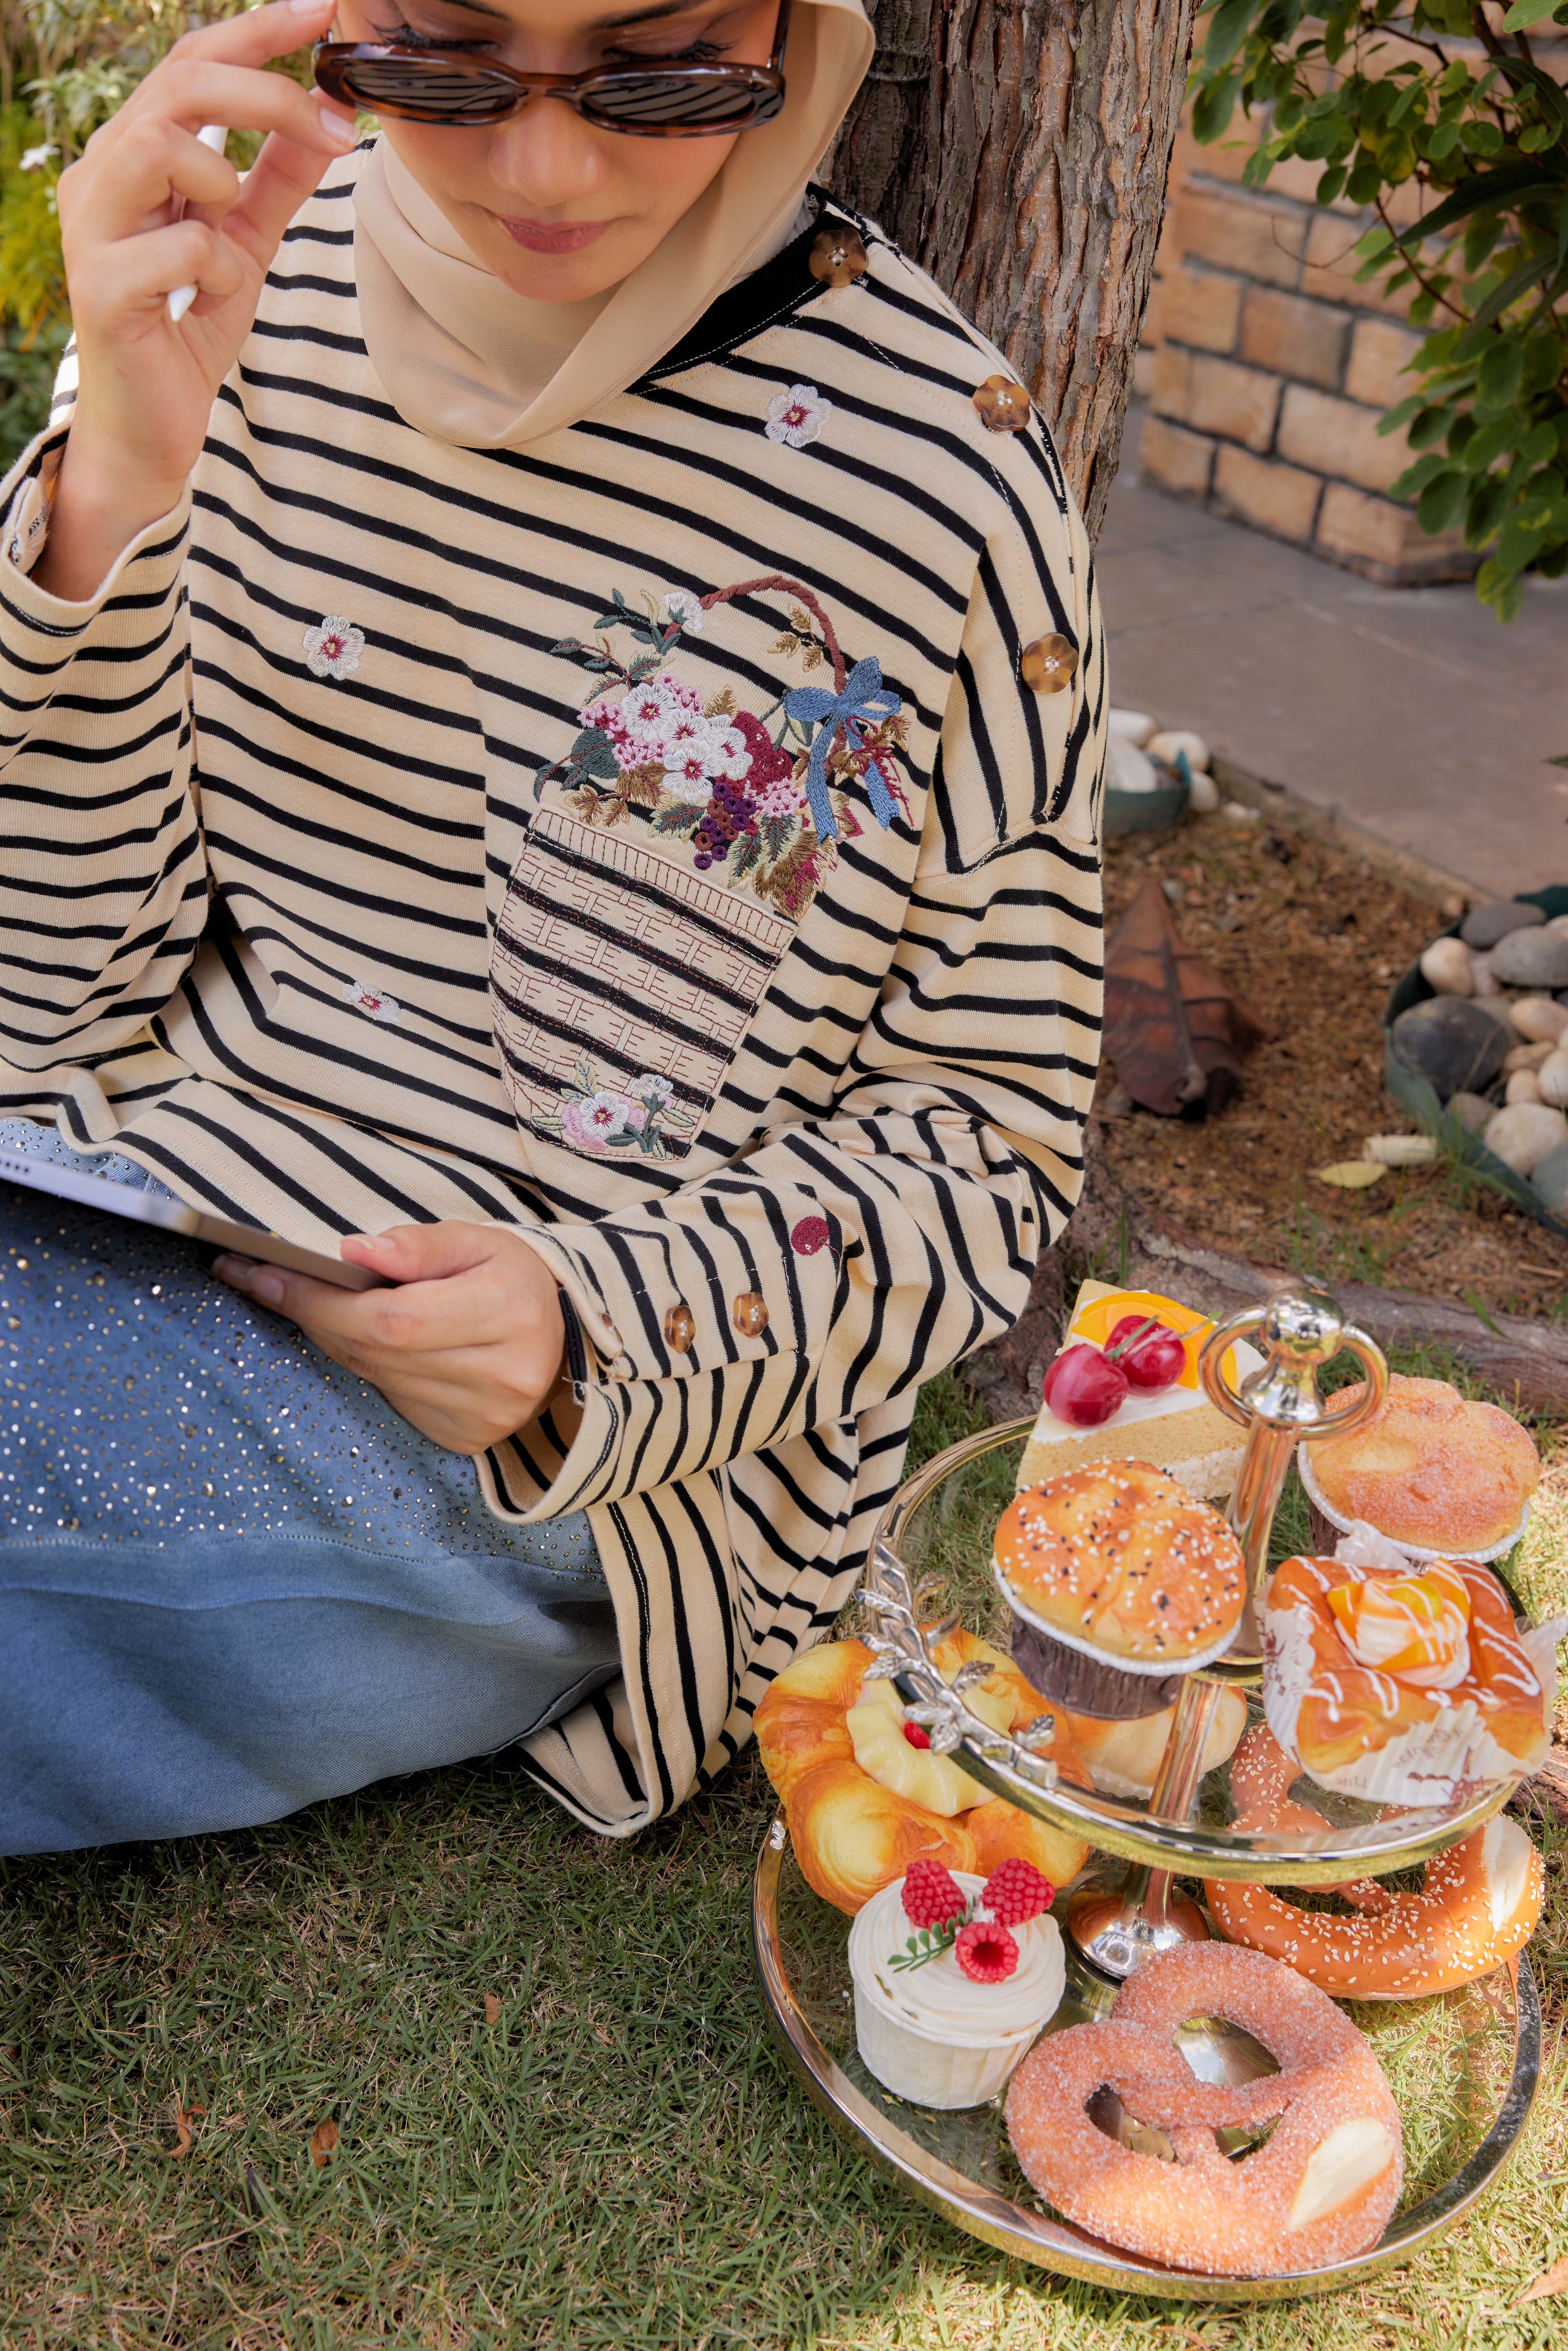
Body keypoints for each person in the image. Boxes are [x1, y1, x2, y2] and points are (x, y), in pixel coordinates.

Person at [0, 0, 1105, 1854]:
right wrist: (115, 484)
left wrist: (587, 1336)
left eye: (658, 71)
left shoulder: (942, 489)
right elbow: (39, 999)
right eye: (441, 63)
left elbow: (986, 1149)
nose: (544, 167)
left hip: (567, 1456)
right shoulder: (243, 286)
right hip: (125, 1186)